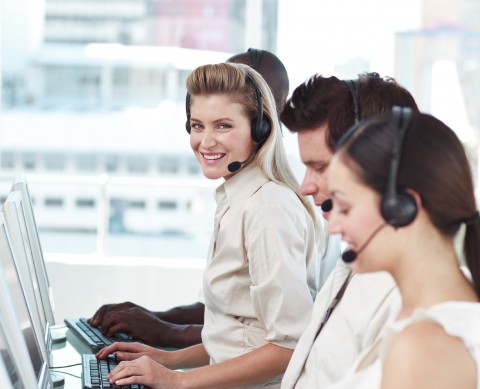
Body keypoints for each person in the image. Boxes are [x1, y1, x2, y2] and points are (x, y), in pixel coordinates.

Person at [96, 62, 318, 389]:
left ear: (260, 129)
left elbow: (289, 345)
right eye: (198, 126)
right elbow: (236, 337)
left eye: (224, 126)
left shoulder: (267, 209)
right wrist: (166, 358)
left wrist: (177, 381)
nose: (206, 141)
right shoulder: (236, 199)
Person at [279, 72, 420, 388]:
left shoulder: (406, 299)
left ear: (379, 163)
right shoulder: (353, 265)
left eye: (320, 167)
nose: (305, 186)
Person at [324, 108, 480, 388]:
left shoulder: (425, 349)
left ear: (403, 208)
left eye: (345, 207)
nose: (332, 226)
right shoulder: (423, 315)